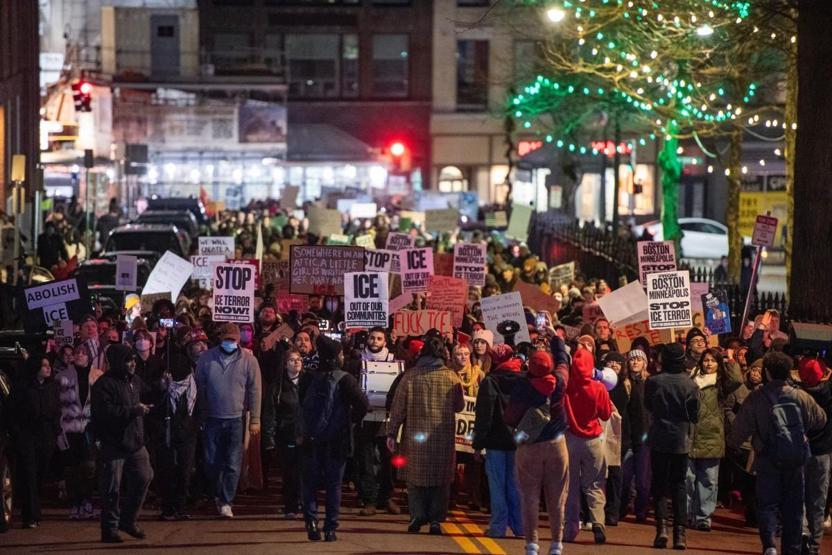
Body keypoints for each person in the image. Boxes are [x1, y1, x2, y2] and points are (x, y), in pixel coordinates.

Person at [728, 352, 827, 555]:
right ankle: (791, 548)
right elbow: (820, 419)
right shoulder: (800, 396)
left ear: (767, 372)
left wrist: (733, 444)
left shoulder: (756, 397)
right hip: (795, 458)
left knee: (767, 504)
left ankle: (770, 545)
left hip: (767, 457)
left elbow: (740, 428)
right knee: (794, 506)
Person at [388, 335, 465, 535]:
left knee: (415, 479)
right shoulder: (451, 377)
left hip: (415, 436)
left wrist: (391, 432)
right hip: (441, 437)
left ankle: (417, 516)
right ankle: (436, 520)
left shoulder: (411, 376)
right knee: (440, 481)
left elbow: (398, 408)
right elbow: (460, 406)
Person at [504, 336, 571, 555]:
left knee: (529, 497)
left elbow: (511, 417)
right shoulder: (559, 381)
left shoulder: (522, 385)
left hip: (529, 446)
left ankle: (532, 544)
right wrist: (556, 339)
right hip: (557, 444)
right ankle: (556, 544)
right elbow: (564, 361)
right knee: (557, 496)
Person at [299, 335, 369, 542]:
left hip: (311, 438)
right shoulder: (345, 379)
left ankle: (311, 521)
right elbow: (363, 405)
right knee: (334, 485)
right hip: (337, 440)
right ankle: (330, 528)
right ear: (337, 356)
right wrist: (351, 421)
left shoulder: (308, 377)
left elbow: (301, 404)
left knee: (309, 483)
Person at [195, 323, 262, 519]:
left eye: (233, 339)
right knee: (211, 461)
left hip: (236, 419)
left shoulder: (249, 360)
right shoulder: (206, 358)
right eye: (226, 339)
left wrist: (255, 419)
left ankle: (226, 501)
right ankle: (216, 494)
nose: (230, 343)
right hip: (212, 418)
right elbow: (199, 387)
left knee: (233, 462)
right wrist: (200, 414)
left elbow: (255, 391)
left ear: (238, 340)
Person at [91, 344, 154, 543]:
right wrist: (132, 410)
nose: (133, 364)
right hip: (113, 444)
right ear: (119, 362)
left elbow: (149, 392)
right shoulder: (104, 384)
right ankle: (109, 529)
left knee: (144, 477)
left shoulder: (134, 380)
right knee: (111, 488)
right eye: (129, 360)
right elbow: (105, 412)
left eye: (134, 360)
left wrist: (161, 387)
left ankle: (128, 520)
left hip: (135, 442)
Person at [645, 343, 700, 550]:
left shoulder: (654, 382)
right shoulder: (690, 384)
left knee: (659, 485)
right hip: (681, 440)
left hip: (659, 437)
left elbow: (649, 405)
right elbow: (694, 415)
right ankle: (680, 534)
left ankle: (662, 529)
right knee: (679, 485)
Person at [686, 348, 742, 531]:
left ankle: (703, 517)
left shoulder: (721, 383)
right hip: (690, 435)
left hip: (711, 437)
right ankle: (686, 515)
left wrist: (731, 360)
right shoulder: (691, 380)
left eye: (713, 360)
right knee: (687, 478)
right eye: (706, 360)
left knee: (708, 480)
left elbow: (737, 380)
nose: (708, 363)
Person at [563, 346, 614, 544]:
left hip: (571, 439)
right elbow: (605, 414)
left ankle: (570, 529)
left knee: (570, 486)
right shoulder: (598, 387)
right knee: (595, 483)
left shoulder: (568, 385)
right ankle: (598, 522)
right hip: (593, 440)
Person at [473, 343, 523, 539]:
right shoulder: (524, 380)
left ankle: (498, 526)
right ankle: (520, 526)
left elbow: (484, 415)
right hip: (518, 440)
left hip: (495, 440)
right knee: (516, 484)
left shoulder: (490, 381)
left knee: (497, 485)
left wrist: (478, 444)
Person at [8, 355, 60, 529]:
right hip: (28, 434)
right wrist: (18, 433)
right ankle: (30, 515)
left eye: (48, 365)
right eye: (43, 365)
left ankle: (34, 510)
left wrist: (55, 431)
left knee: (39, 474)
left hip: (46, 436)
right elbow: (13, 411)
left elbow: (56, 410)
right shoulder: (23, 388)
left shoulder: (51, 387)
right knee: (29, 474)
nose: (48, 368)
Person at [352, 327, 400, 516]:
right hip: (365, 418)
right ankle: (369, 499)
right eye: (372, 338)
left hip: (386, 419)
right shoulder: (357, 362)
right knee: (365, 459)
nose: (374, 341)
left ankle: (386, 497)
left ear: (385, 342)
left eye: (379, 338)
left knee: (388, 460)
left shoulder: (395, 360)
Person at [156, 329, 202, 521]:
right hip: (167, 432)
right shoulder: (166, 386)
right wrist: (162, 389)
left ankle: (181, 506)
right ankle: (167, 507)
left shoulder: (194, 385)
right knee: (167, 471)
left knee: (184, 470)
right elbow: (156, 406)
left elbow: (198, 408)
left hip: (188, 432)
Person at [56, 344, 102, 520]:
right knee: (72, 468)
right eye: (77, 353)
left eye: (84, 353)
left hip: (89, 428)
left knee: (89, 466)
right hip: (69, 428)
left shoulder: (98, 376)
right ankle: (75, 502)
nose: (80, 356)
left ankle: (87, 501)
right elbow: (57, 405)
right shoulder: (62, 377)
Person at [603, 351, 645, 526]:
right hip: (599, 437)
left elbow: (636, 415)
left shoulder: (628, 386)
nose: (614, 365)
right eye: (610, 362)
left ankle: (613, 512)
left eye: (618, 363)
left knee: (616, 477)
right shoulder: (599, 384)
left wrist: (637, 441)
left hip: (622, 438)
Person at [262, 348, 305, 520]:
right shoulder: (278, 386)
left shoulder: (308, 382)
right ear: (285, 364)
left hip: (305, 434)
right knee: (290, 472)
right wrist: (269, 438)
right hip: (287, 434)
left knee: (305, 471)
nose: (296, 362)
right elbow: (270, 413)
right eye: (292, 360)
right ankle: (291, 505)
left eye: (299, 359)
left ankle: (303, 501)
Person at [796, 357, 832, 555]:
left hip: (799, 450)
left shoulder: (797, 394)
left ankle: (800, 533)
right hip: (822, 452)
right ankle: (814, 545)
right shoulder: (829, 394)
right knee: (818, 499)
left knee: (798, 495)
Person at [620, 348, 651, 523]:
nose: (635, 362)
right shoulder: (623, 383)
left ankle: (641, 511)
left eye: (639, 359)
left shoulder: (650, 383)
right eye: (632, 359)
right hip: (627, 437)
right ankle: (622, 508)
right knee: (625, 478)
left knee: (643, 480)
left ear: (644, 363)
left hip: (644, 438)